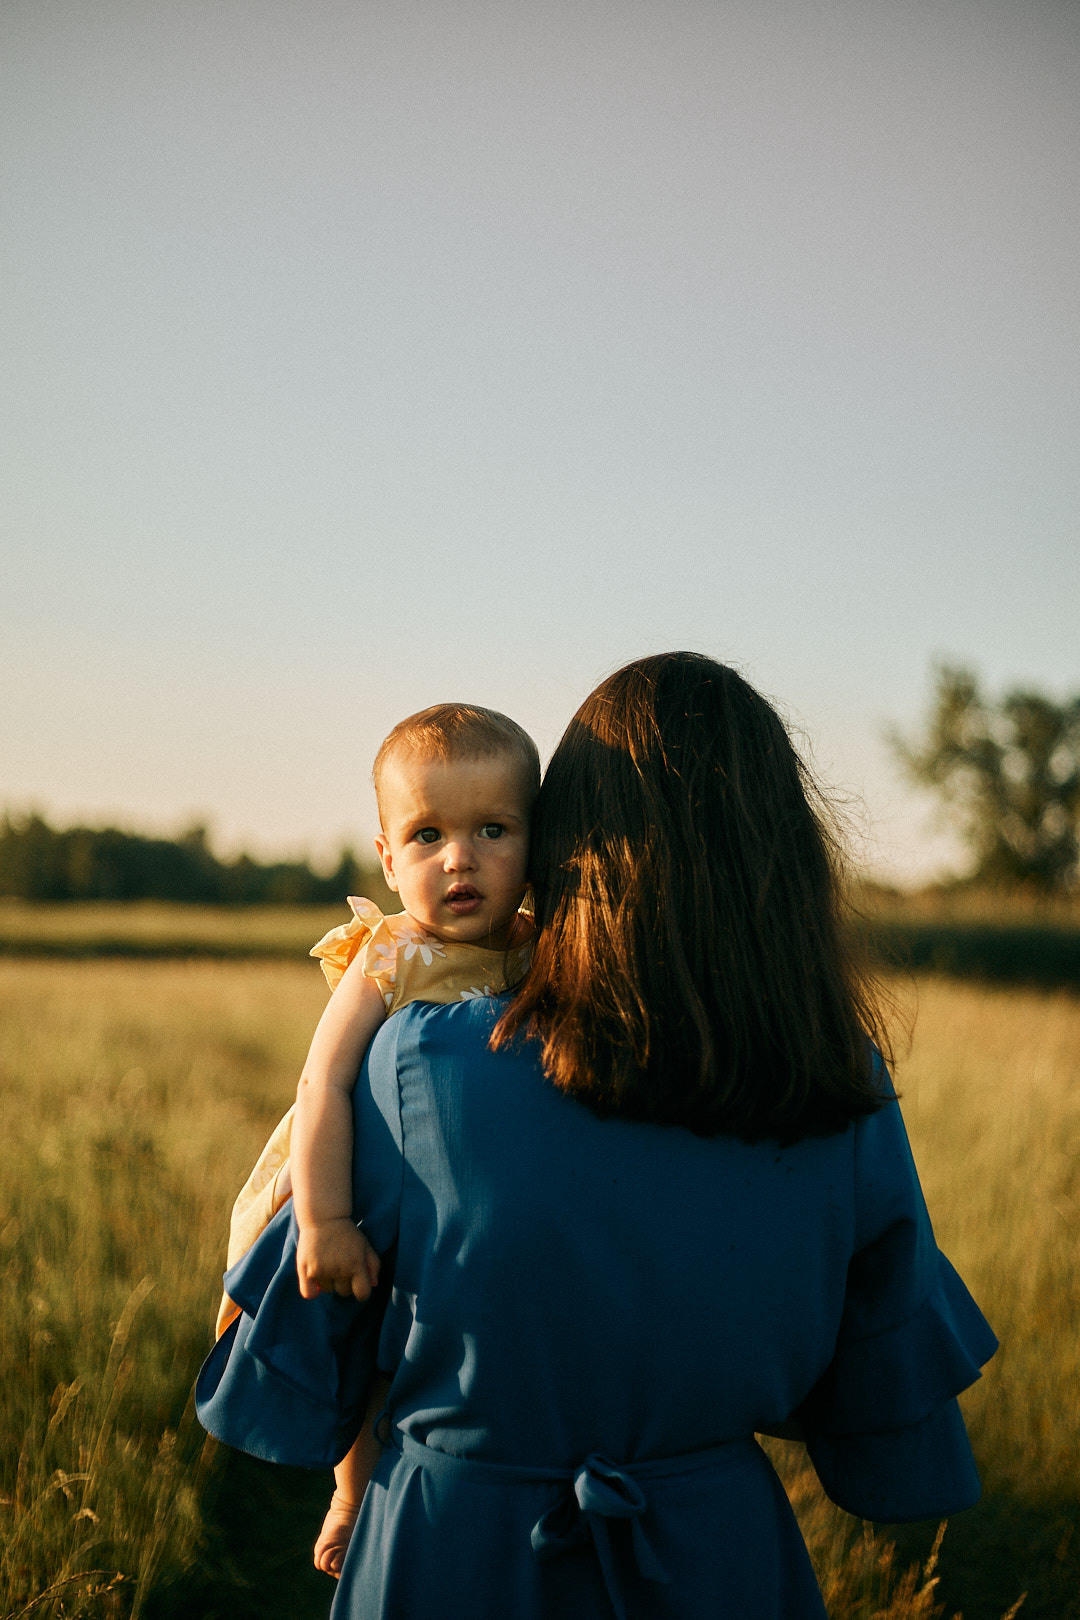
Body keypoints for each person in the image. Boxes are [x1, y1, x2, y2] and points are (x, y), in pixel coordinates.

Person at [198, 652, 997, 1619]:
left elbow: (301, 1361)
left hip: (455, 1558)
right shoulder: (837, 1080)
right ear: (786, 856)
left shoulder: (422, 1060)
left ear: (563, 842)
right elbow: (884, 1424)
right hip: (717, 1560)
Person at [213, 702, 538, 1575]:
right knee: (360, 1341)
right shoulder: (391, 953)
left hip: (450, 1197)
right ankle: (351, 1491)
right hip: (343, 1171)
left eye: (493, 829)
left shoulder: (540, 948)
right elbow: (321, 1083)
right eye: (427, 835)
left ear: (535, 844)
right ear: (390, 860)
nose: (459, 858)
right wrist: (323, 1222)